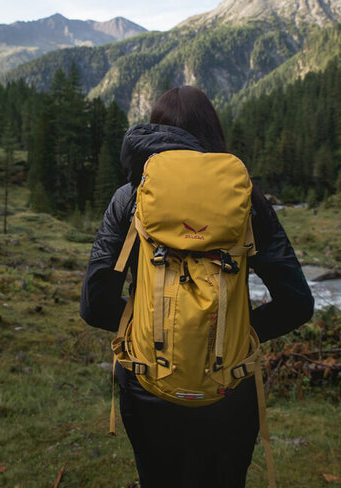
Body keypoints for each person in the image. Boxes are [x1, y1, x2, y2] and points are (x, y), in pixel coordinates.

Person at [81, 86, 314, 488]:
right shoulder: (247, 200)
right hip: (229, 389)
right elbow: (297, 303)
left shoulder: (130, 197)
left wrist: (144, 327)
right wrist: (238, 332)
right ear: (212, 133)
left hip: (148, 383)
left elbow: (94, 304)